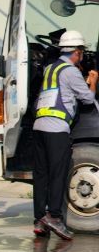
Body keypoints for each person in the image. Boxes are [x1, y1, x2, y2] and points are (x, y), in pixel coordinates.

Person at [32, 30, 98, 240]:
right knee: (58, 174)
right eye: (81, 52)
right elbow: (87, 98)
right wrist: (93, 80)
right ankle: (55, 217)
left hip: (39, 126)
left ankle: (39, 219)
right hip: (57, 129)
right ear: (77, 52)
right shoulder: (70, 71)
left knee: (41, 175)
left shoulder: (51, 68)